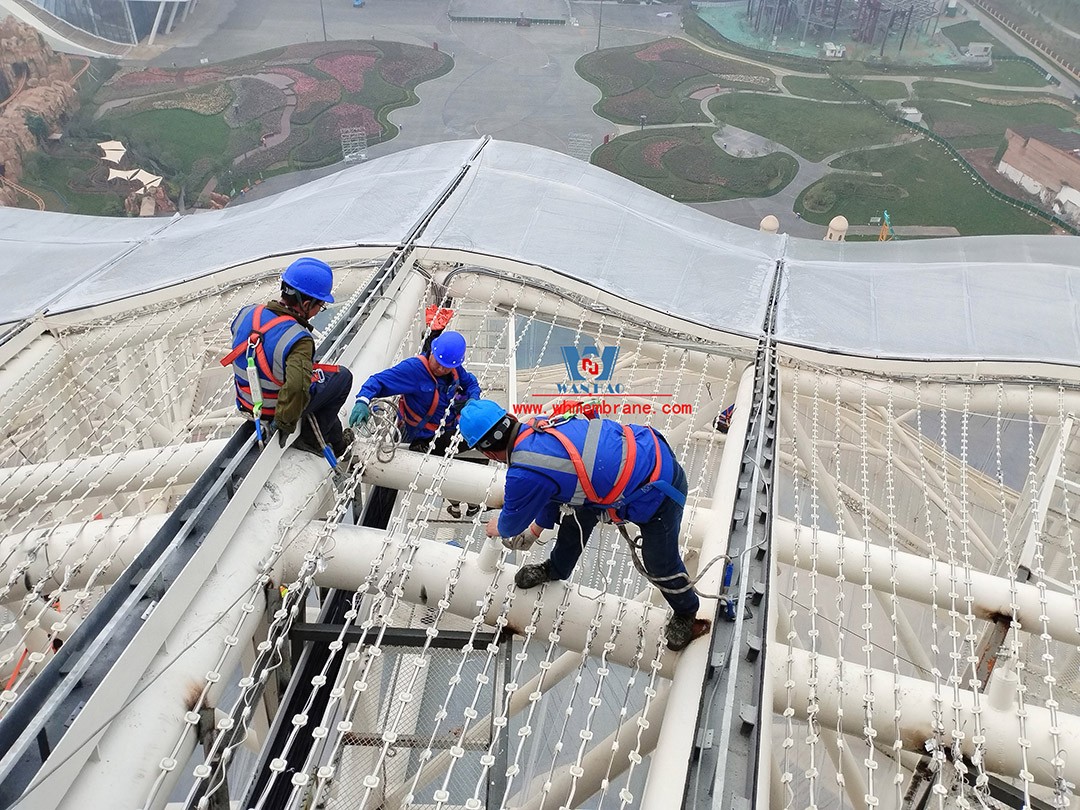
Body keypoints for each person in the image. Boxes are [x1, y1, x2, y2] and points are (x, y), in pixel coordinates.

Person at [457, 400, 706, 651]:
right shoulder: (539, 426)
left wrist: (497, 527)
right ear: (509, 417)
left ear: (486, 453)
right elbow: (554, 486)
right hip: (650, 453)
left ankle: (686, 611)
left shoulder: (523, 473)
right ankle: (556, 568)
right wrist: (536, 530)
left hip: (660, 491)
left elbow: (511, 523)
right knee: (577, 513)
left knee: (659, 562)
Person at [221, 256, 353, 458]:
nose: (319, 311)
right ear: (307, 304)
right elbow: (296, 389)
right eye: (320, 306)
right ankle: (311, 440)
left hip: (247, 404)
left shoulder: (246, 313)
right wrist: (282, 425)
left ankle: (335, 441)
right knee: (342, 377)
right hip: (272, 410)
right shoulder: (299, 339)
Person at [349, 329, 484, 517]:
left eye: (447, 367)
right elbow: (378, 381)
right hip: (423, 437)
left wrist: (473, 399)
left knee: (482, 443)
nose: (442, 369)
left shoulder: (453, 369)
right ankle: (458, 500)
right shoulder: (413, 370)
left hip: (447, 428)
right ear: (432, 351)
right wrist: (363, 400)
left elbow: (471, 384)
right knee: (471, 449)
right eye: (439, 363)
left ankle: (467, 501)